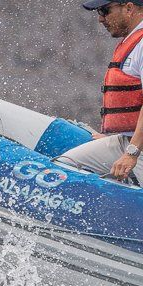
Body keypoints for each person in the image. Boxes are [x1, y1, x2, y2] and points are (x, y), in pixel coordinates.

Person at [55, 0, 143, 183]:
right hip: (128, 141)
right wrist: (124, 135)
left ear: (129, 8)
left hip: (136, 148)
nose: (100, 19)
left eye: (105, 10)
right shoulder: (133, 42)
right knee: (64, 167)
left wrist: (132, 152)